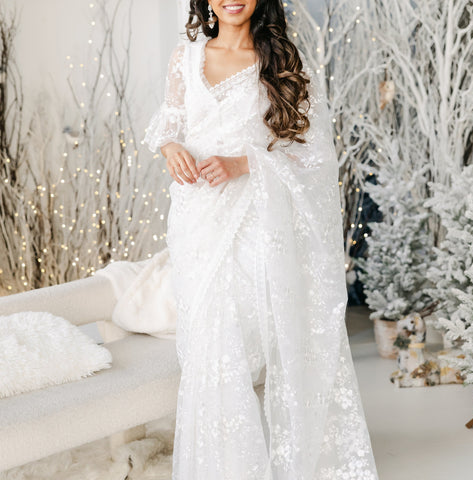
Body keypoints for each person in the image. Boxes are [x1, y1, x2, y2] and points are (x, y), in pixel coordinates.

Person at [143, 1, 379, 478]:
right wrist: (170, 147)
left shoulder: (280, 59)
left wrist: (241, 163)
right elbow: (168, 124)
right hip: (196, 221)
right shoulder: (185, 56)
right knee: (207, 344)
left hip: (255, 219)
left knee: (243, 341)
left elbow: (311, 154)